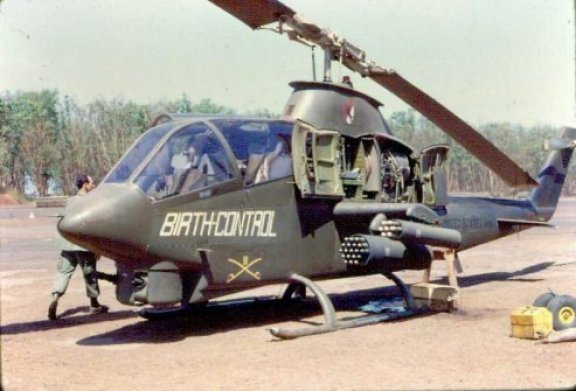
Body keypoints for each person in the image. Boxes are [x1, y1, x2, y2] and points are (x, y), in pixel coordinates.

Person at [48, 174, 108, 320]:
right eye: (92, 183)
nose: (93, 186)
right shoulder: (90, 202)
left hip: (67, 245)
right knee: (90, 275)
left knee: (63, 274)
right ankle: (94, 304)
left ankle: (55, 298)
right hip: (84, 246)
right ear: (85, 184)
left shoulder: (70, 201)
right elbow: (93, 226)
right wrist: (97, 248)